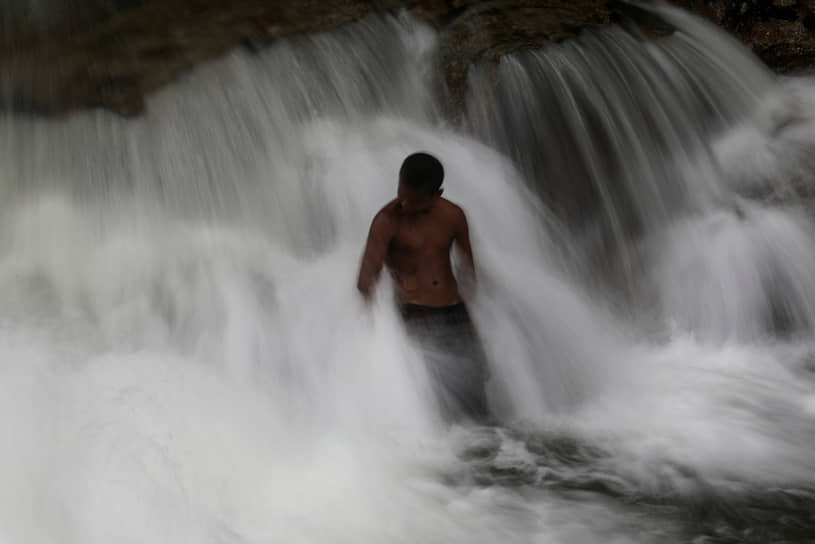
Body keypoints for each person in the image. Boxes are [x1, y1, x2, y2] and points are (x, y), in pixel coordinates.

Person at [357, 152, 490, 423]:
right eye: (401, 194)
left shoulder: (453, 216)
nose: (403, 204)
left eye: (413, 201)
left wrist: (471, 317)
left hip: (453, 310)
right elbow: (366, 279)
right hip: (413, 315)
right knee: (429, 393)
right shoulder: (386, 221)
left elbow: (468, 269)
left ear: (437, 194)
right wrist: (371, 329)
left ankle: (490, 449)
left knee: (476, 387)